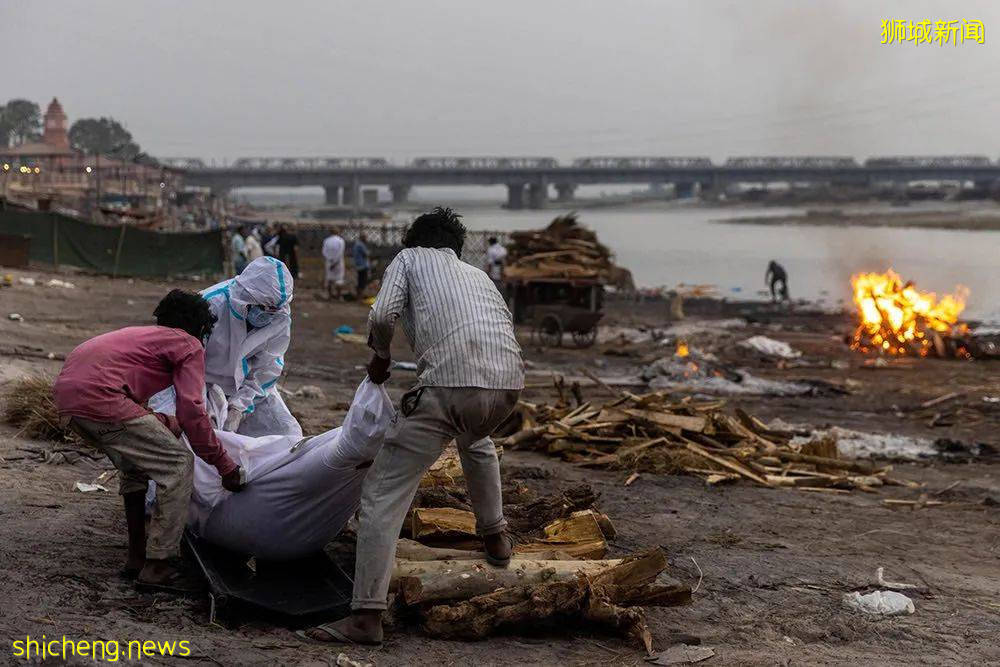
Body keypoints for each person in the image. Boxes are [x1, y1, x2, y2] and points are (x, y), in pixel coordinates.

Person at [305, 207, 524, 645]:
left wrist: (381, 357)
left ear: (415, 241)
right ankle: (495, 535)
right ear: (456, 247)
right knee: (475, 440)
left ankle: (366, 616)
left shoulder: (408, 259)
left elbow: (381, 315)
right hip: (507, 385)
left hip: (448, 385)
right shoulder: (479, 275)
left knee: (382, 494)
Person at [53, 290, 245, 593]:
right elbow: (192, 410)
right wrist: (225, 466)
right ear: (201, 327)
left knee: (135, 466)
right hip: (102, 399)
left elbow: (135, 409)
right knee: (178, 464)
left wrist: (165, 423)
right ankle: (159, 566)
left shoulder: (140, 337)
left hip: (69, 402)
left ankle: (137, 556)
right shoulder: (188, 343)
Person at [197, 256, 302, 438]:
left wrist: (239, 407)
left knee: (287, 434)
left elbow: (267, 368)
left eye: (273, 309)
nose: (267, 314)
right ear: (246, 296)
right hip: (201, 384)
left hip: (247, 389)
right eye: (263, 307)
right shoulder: (210, 305)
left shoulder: (280, 316)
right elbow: (187, 361)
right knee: (205, 437)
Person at [322, 228, 346, 300]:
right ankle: (338, 296)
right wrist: (335, 262)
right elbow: (340, 253)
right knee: (339, 279)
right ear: (338, 232)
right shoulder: (340, 240)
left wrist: (330, 259)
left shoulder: (326, 240)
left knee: (329, 279)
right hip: (338, 262)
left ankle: (330, 296)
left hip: (329, 262)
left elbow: (324, 252)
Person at [353, 232, 371, 297]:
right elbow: (366, 254)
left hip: (358, 265)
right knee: (362, 281)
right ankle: (360, 297)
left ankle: (358, 296)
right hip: (363, 265)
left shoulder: (357, 244)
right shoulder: (360, 245)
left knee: (360, 280)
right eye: (365, 237)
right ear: (362, 238)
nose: (366, 239)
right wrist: (368, 253)